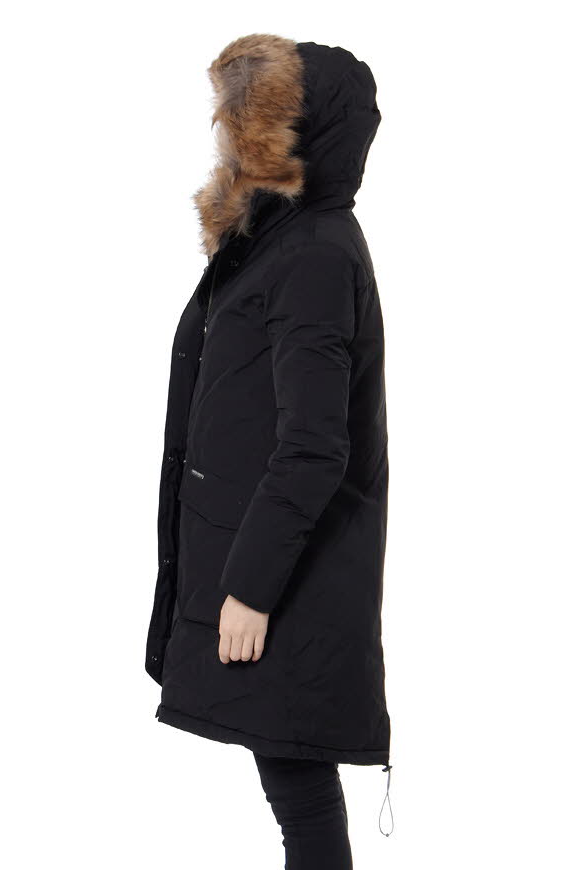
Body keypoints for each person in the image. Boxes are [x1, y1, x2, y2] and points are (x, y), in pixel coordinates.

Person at [145, 34, 390, 869]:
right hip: (272, 557)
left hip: (287, 573)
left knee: (299, 787)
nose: (224, 130)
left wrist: (248, 589)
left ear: (288, 132)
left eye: (241, 115)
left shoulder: (313, 253)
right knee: (294, 781)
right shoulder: (277, 242)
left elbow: (314, 446)